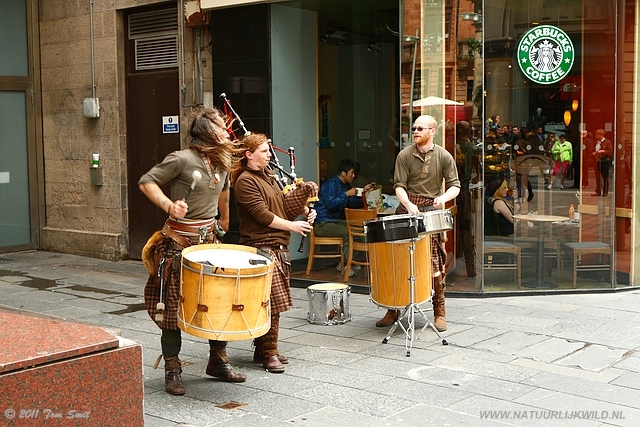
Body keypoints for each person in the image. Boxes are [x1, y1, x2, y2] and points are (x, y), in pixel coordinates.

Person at [138, 107, 246, 396]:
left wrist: (224, 220)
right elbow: (146, 181)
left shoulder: (223, 162)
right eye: (221, 126)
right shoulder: (181, 159)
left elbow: (224, 192)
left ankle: (218, 361)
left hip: (209, 242)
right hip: (178, 245)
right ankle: (172, 368)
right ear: (208, 131)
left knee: (219, 302)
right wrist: (169, 206)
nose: (226, 130)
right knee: (172, 308)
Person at [232, 132, 317, 374]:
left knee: (270, 303)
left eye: (269, 150)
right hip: (261, 248)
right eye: (264, 151)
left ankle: (263, 348)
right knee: (270, 303)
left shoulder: (268, 177)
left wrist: (303, 210)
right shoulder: (245, 181)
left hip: (277, 248)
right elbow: (263, 215)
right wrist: (293, 226)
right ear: (249, 155)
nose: (270, 154)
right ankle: (269, 353)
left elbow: (281, 206)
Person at [376, 115, 460, 331]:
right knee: (399, 261)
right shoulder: (404, 155)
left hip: (431, 210)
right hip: (407, 208)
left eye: (420, 128)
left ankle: (439, 312)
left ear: (432, 131)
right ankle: (393, 309)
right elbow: (398, 186)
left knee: (433, 263)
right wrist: (408, 204)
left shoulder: (443, 155)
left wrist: (443, 198)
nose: (415, 131)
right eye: (414, 128)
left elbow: (455, 185)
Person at [314, 159, 376, 275]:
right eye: (352, 173)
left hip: (336, 222)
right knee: (350, 231)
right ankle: (347, 265)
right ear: (343, 173)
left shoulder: (346, 185)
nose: (354, 176)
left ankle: (349, 262)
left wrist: (364, 193)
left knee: (361, 232)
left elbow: (352, 204)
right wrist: (346, 194)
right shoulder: (330, 184)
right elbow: (331, 205)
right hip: (323, 223)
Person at [454, 120, 477, 277]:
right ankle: (470, 268)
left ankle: (457, 257)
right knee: (466, 228)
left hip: (451, 192)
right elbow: (478, 172)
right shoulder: (471, 148)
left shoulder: (451, 147)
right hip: (465, 191)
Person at [592, 128, 614, 196]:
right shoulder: (596, 142)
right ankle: (598, 191)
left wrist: (603, 151)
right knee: (598, 176)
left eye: (597, 135)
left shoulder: (607, 142)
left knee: (605, 176)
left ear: (601, 135)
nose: (596, 136)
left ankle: (605, 191)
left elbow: (610, 151)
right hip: (598, 160)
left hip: (605, 160)